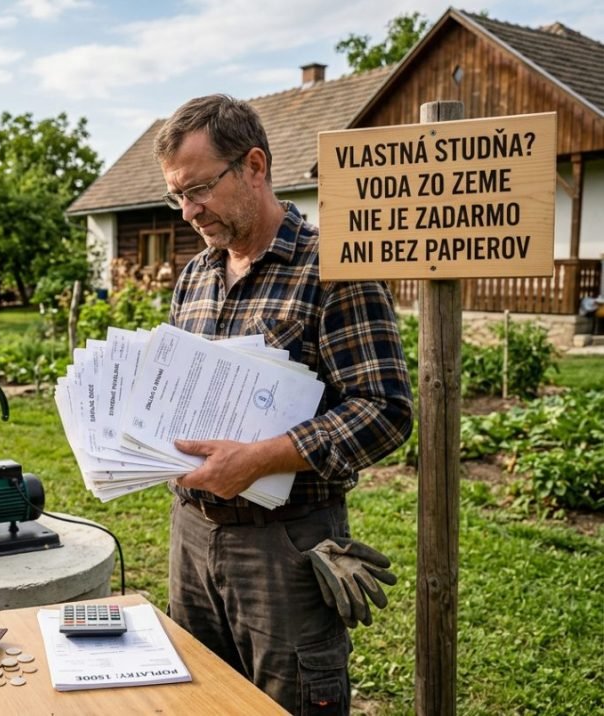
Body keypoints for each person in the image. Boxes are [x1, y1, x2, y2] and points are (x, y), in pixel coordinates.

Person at [153, 94, 413, 714]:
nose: (189, 212)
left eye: (199, 190)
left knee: (293, 700)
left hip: (287, 546)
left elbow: (384, 408)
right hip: (191, 534)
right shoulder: (195, 276)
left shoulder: (334, 267)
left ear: (255, 166)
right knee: (199, 698)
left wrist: (261, 458)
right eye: (177, 197)